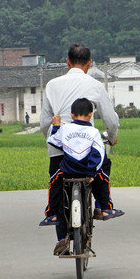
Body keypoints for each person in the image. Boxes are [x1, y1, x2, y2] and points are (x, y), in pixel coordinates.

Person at [40, 43, 123, 223]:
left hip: (60, 150)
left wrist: (52, 141)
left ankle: (58, 229)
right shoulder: (95, 85)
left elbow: (44, 122)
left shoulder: (52, 85)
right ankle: (102, 207)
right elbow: (110, 119)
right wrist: (112, 138)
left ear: (67, 62)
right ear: (89, 63)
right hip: (86, 148)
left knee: (57, 183)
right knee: (102, 169)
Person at [42, 98, 124, 255]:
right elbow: (98, 154)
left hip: (68, 171)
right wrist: (91, 173)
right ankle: (105, 208)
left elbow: (53, 141)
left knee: (54, 182)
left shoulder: (65, 129)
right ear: (91, 115)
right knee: (103, 178)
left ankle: (51, 214)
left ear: (72, 115)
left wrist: (56, 126)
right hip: (87, 171)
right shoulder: (93, 132)